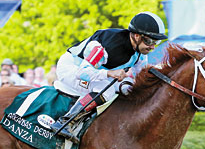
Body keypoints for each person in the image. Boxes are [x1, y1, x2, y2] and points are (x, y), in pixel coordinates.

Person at [50, 11, 167, 142]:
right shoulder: (105, 45)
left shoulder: (140, 53)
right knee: (107, 89)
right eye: (149, 40)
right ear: (136, 36)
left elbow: (139, 80)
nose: (152, 46)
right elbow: (82, 73)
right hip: (72, 68)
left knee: (126, 88)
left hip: (95, 70)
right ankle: (66, 122)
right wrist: (109, 73)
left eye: (156, 42)